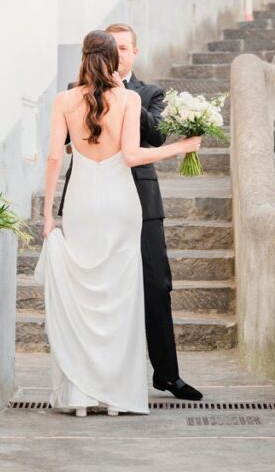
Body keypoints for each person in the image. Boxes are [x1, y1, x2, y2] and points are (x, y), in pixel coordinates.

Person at [35, 30, 201, 416]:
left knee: (83, 295)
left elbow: (54, 160)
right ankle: (114, 395)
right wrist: (181, 147)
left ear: (83, 57)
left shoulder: (63, 99)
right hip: (120, 204)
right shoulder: (126, 98)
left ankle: (81, 396)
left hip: (78, 203)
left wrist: (47, 216)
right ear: (113, 59)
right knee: (118, 297)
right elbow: (130, 155)